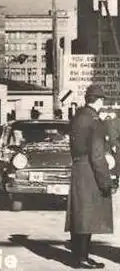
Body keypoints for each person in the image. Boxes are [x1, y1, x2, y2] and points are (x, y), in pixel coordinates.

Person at [65, 84, 113, 269]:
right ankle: (82, 259)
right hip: (91, 171)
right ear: (99, 100)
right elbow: (97, 155)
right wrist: (105, 181)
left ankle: (78, 257)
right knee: (88, 214)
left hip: (78, 167)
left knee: (79, 213)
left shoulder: (77, 117)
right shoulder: (95, 121)